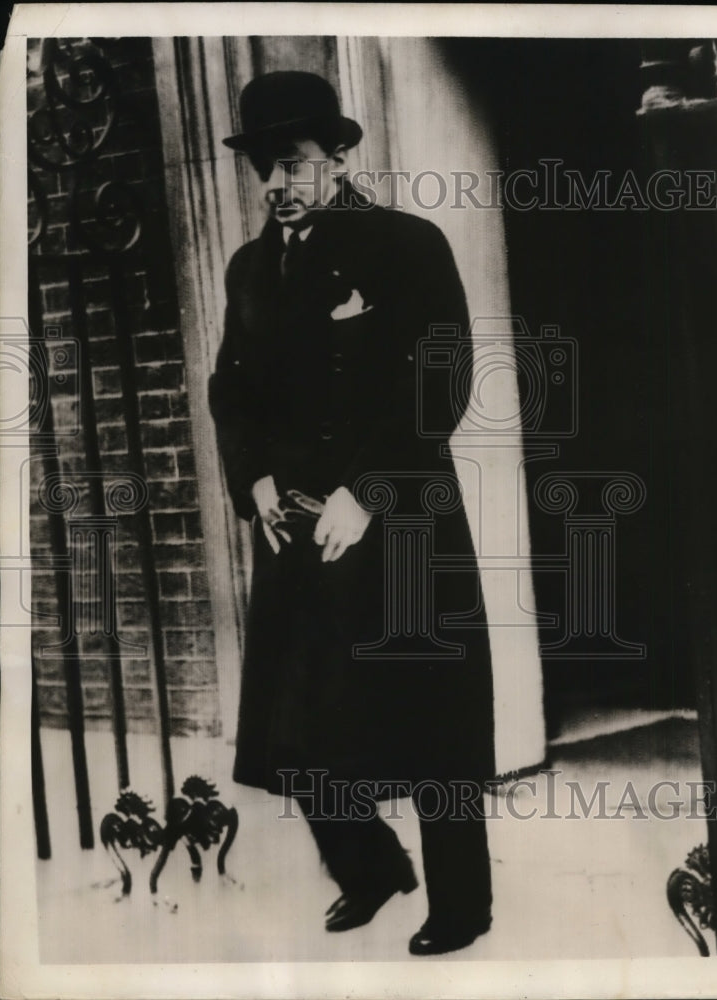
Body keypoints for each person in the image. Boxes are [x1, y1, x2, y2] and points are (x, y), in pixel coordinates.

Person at [209, 70, 495, 956]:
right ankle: (370, 870)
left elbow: (441, 379)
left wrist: (367, 492)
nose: (275, 184)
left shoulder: (406, 245)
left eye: (291, 162)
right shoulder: (250, 267)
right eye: (263, 166)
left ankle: (461, 902)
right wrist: (253, 481)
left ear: (337, 158)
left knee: (432, 721)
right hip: (295, 524)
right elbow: (232, 390)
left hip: (401, 518)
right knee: (305, 727)